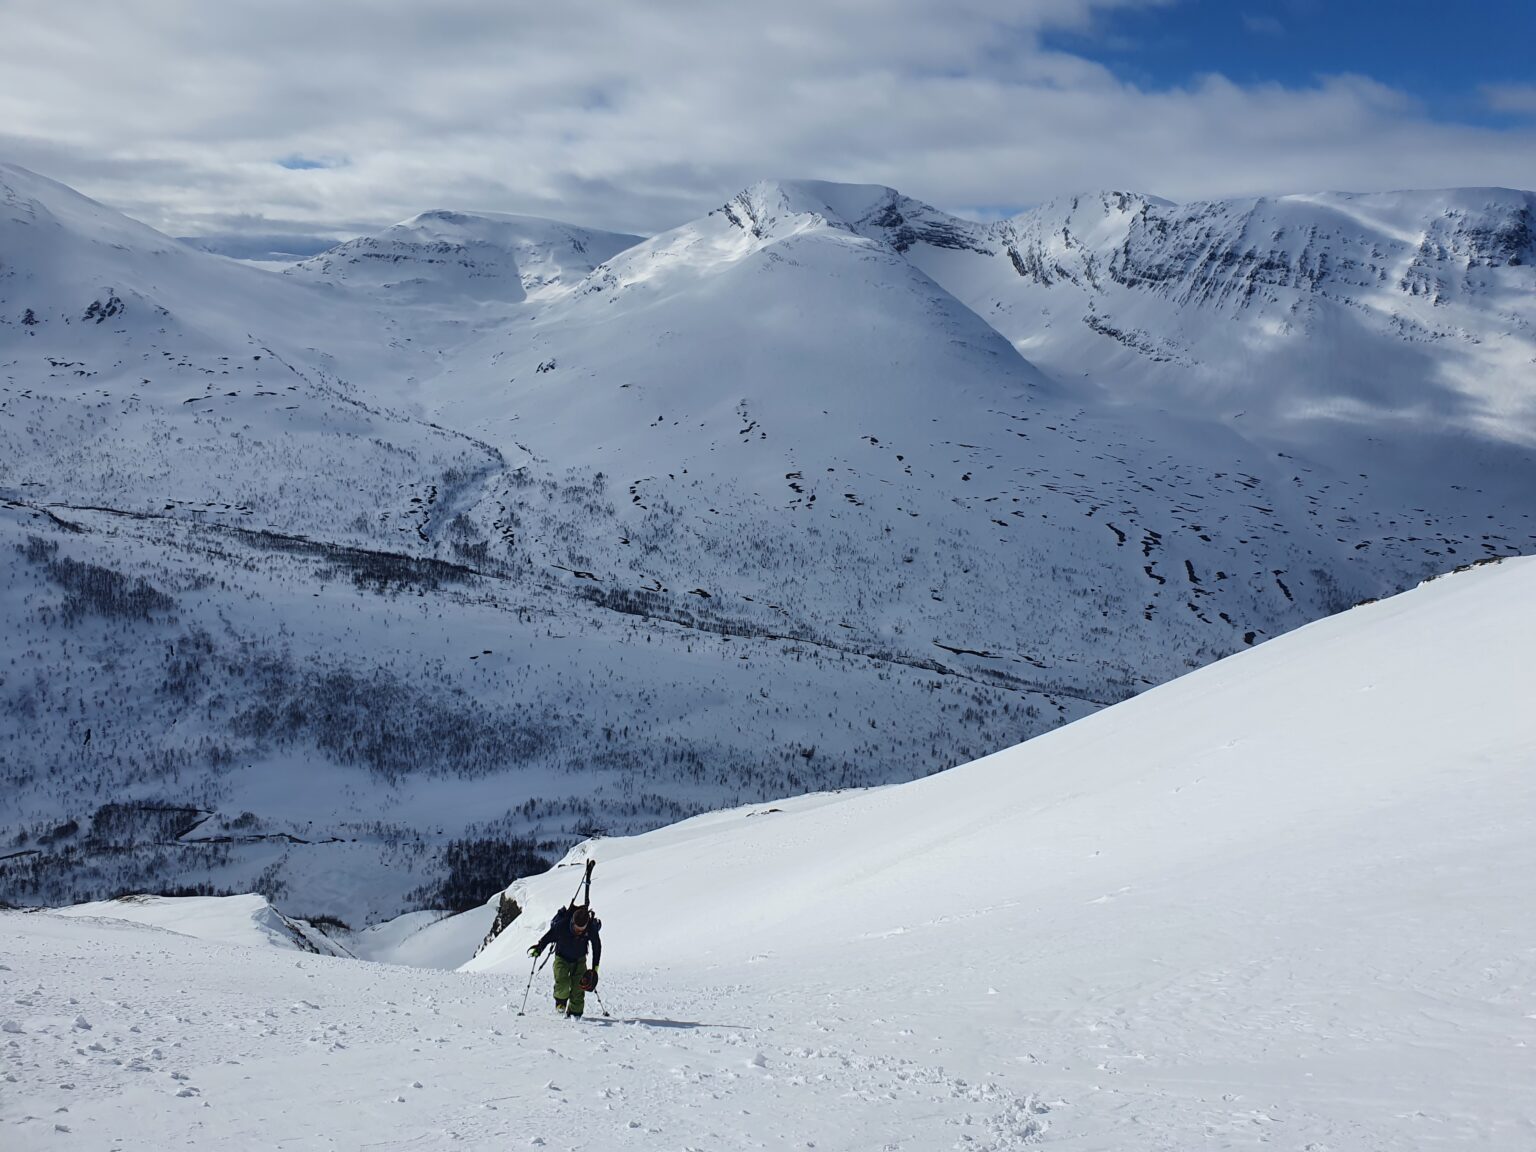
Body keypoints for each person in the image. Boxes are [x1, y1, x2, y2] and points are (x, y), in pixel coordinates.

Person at [528, 904, 602, 1017]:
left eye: (582, 930)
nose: (579, 932)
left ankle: (575, 1013)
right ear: (572, 922)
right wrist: (539, 948)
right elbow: (548, 937)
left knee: (579, 988)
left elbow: (597, 947)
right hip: (561, 957)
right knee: (562, 983)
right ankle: (560, 1002)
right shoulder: (562, 926)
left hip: (580, 959)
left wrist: (594, 969)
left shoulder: (590, 928)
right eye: (577, 929)